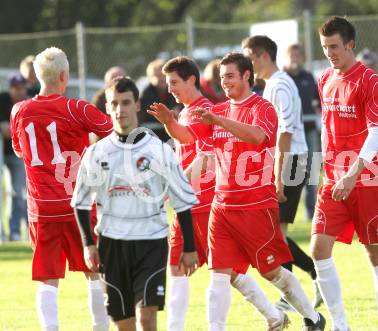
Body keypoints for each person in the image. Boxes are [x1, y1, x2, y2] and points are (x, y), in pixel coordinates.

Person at [149, 52, 325, 331]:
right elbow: (199, 149)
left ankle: (313, 319)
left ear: (246, 75)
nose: (225, 82)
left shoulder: (261, 107)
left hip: (255, 204)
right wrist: (171, 124)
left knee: (272, 272)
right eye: (221, 77)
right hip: (221, 207)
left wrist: (220, 122)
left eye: (230, 75)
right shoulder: (216, 111)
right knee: (219, 275)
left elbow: (257, 136)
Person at [72, 76, 199, 331]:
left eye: (126, 102)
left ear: (137, 105)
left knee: (147, 318)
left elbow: (182, 201)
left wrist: (190, 247)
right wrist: (88, 245)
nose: (120, 110)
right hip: (111, 244)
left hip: (150, 242)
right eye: (114, 104)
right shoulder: (97, 152)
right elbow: (81, 202)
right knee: (124, 324)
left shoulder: (159, 150)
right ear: (107, 108)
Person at [10, 47, 112, 331]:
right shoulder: (76, 108)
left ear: (38, 76)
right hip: (78, 202)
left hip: (42, 207)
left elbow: (19, 151)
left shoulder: (20, 110)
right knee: (94, 270)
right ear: (65, 76)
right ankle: (99, 327)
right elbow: (114, 133)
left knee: (47, 278)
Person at [313, 16, 378, 331]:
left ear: (350, 44)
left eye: (334, 46)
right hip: (334, 178)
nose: (330, 53)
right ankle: (340, 325)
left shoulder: (370, 80)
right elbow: (326, 125)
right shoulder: (324, 78)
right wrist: (325, 167)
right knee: (318, 249)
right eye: (325, 47)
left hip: (366, 179)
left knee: (375, 253)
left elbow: (376, 131)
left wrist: (352, 172)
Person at [242, 35, 322, 312]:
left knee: (275, 233)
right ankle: (308, 281)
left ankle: (304, 283)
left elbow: (285, 131)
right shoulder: (275, 84)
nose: (246, 64)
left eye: (248, 57)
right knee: (275, 232)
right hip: (289, 162)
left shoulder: (279, 85)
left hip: (292, 163)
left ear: (262, 55)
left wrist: (277, 174)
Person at [284, 44, 321, 221]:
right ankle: (287, 213)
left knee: (312, 171)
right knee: (293, 174)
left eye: (298, 55)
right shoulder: (282, 79)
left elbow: (319, 101)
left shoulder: (308, 77)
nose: (295, 58)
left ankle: (312, 212)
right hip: (290, 134)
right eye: (292, 55)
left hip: (310, 129)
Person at [0, 73, 28, 241]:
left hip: (17, 153)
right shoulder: (2, 100)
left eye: (21, 88)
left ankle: (15, 231)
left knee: (18, 192)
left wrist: (9, 129)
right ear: (10, 88)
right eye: (15, 88)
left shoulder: (27, 102)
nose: (19, 91)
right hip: (2, 150)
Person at [138, 59, 177, 142]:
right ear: (149, 78)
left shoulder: (174, 90)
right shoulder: (145, 94)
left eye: (163, 75)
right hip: (153, 134)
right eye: (157, 75)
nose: (162, 78)